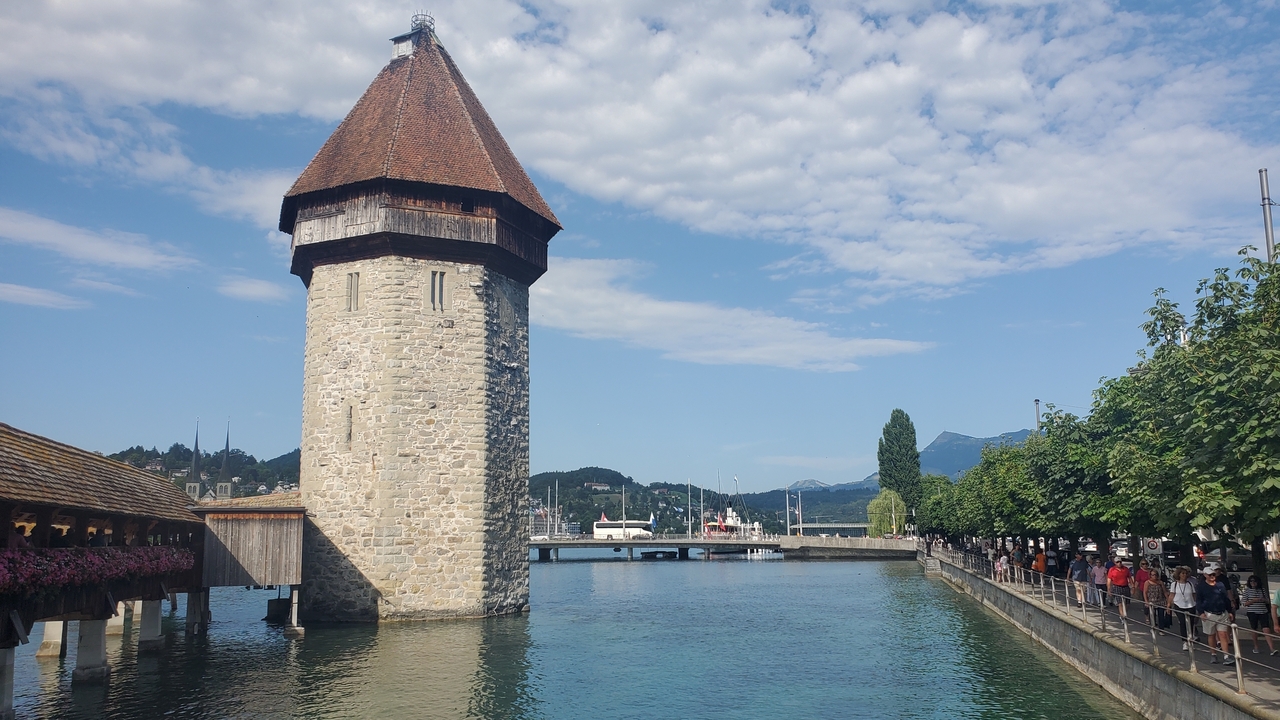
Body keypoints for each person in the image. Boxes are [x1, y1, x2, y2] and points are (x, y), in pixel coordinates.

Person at [1197, 564, 1235, 665]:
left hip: (1222, 613)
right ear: (1205, 575)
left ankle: (1226, 656)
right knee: (1211, 635)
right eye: (1210, 575)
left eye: (1213, 574)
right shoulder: (1201, 587)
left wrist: (1230, 611)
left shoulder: (1220, 585)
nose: (1212, 576)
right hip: (1209, 613)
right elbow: (1199, 601)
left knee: (1222, 634)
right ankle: (1213, 654)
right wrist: (1201, 613)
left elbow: (1225, 598)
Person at [1241, 575, 1277, 655]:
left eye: (1254, 581)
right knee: (1254, 629)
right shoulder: (1247, 591)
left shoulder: (1262, 590)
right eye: (1251, 581)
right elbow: (1244, 603)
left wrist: (1263, 600)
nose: (1253, 583)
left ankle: (1272, 648)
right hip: (1252, 612)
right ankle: (1256, 646)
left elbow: (1268, 601)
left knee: (1266, 629)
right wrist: (1254, 600)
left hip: (1263, 611)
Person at [1168, 566, 1198, 650]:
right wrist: (1168, 605)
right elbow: (1171, 595)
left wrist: (1196, 604)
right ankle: (1185, 641)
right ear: (1179, 574)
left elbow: (1194, 595)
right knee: (1183, 623)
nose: (1184, 575)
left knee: (1191, 623)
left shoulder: (1190, 584)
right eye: (1182, 573)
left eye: (1186, 573)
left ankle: (1190, 640)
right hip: (1179, 605)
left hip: (1190, 605)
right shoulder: (1174, 584)